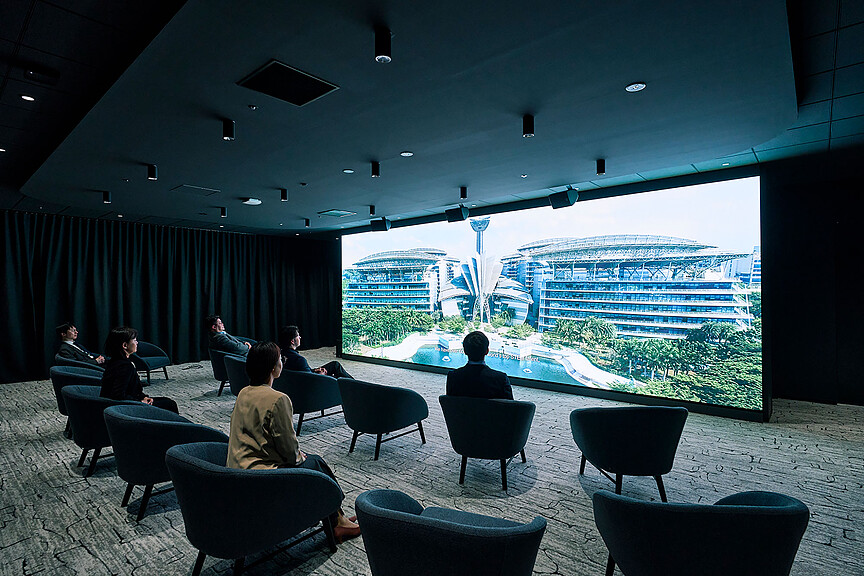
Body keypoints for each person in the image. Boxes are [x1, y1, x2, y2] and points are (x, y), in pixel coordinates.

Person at [227, 342, 360, 542]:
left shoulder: (244, 392)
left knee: (314, 462)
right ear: (273, 367)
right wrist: (299, 456)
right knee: (316, 463)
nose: (283, 362)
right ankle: (338, 521)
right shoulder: (278, 399)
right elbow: (289, 448)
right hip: (261, 477)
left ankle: (337, 517)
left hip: (237, 471)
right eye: (281, 359)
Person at [100, 326, 178, 413]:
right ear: (125, 345)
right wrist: (140, 401)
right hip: (125, 408)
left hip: (118, 405)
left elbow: (130, 390)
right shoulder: (125, 366)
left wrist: (143, 397)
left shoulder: (114, 362)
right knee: (170, 404)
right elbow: (118, 395)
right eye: (134, 340)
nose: (137, 343)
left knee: (166, 401)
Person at [446, 330, 513, 399]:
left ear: (465, 351)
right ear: (487, 351)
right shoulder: (501, 379)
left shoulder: (453, 377)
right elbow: (510, 407)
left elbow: (451, 405)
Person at [278, 325, 353, 378]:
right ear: (292, 341)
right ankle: (353, 384)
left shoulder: (280, 355)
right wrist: (321, 374)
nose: (300, 337)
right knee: (336, 375)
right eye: (298, 336)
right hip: (312, 383)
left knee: (335, 365)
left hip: (299, 378)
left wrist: (314, 370)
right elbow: (310, 379)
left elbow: (304, 372)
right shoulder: (299, 360)